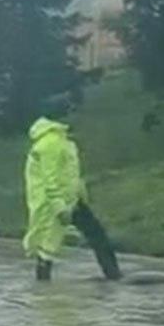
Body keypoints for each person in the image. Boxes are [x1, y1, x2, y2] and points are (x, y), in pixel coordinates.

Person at [23, 97, 122, 282]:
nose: (78, 117)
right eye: (73, 112)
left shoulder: (62, 141)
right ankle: (43, 288)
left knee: (96, 235)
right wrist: (59, 206)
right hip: (55, 203)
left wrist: (79, 192)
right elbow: (50, 178)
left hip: (71, 200)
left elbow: (68, 172)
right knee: (48, 246)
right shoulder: (50, 143)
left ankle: (113, 276)